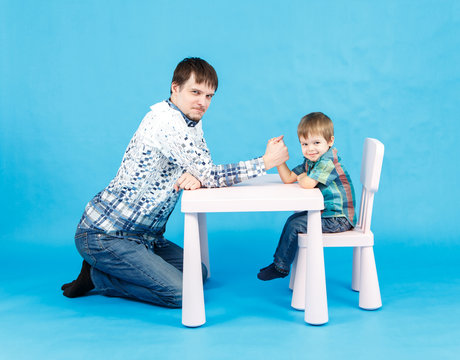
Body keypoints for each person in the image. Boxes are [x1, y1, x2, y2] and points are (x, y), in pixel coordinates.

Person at [61, 57, 289, 307]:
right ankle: (97, 278)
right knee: (182, 293)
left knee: (198, 274)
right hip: (107, 234)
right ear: (175, 88)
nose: (203, 102)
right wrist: (265, 162)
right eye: (196, 92)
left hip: (146, 237)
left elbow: (203, 169)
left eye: (209, 96)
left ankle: (113, 269)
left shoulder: (190, 122)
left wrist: (198, 177)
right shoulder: (166, 122)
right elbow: (210, 174)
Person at [257, 112, 356, 281]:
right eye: (305, 144)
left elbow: (308, 183)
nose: (310, 149)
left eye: (316, 142)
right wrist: (279, 159)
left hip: (339, 219)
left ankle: (281, 267)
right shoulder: (311, 161)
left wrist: (303, 178)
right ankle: (279, 262)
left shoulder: (327, 162)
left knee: (295, 224)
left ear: (330, 141)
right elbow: (289, 178)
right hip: (328, 214)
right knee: (293, 220)